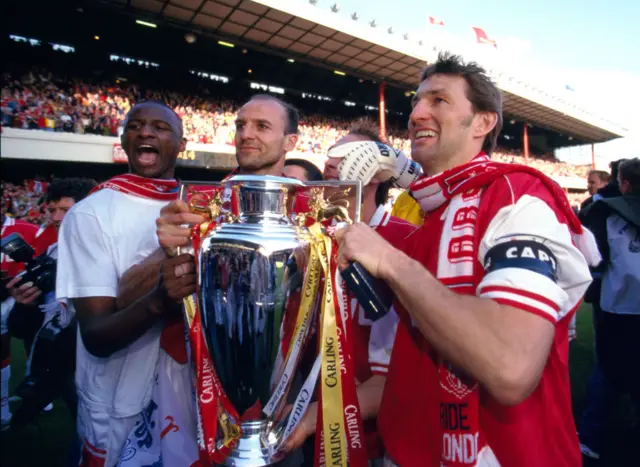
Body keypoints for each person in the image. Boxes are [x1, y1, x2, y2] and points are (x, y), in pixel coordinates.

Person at [334, 52, 593, 466]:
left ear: (484, 122)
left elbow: (509, 365)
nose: (417, 112)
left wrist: (392, 263)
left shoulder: (517, 194)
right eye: (416, 101)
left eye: (439, 100)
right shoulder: (427, 214)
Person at [56, 100, 199, 466]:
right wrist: (158, 300)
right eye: (136, 126)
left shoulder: (204, 209)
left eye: (160, 127)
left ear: (181, 144)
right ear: (124, 139)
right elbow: (97, 335)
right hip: (121, 403)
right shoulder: (91, 213)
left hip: (190, 397)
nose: (146, 132)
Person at [278, 121, 417, 465]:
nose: (329, 162)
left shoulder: (408, 241)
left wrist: (315, 413)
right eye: (329, 154)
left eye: (346, 154)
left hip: (376, 442)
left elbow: (401, 375)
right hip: (307, 423)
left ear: (379, 172)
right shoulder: (310, 241)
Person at [5, 177, 96, 426]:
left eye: (65, 210)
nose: (56, 218)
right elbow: (20, 328)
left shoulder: (111, 254)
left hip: (96, 365)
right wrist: (24, 304)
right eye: (53, 210)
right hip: (56, 362)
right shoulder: (52, 253)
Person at [578, 157, 640, 461]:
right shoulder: (603, 209)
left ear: (624, 183)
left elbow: (595, 261)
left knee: (606, 372)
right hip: (628, 307)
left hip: (618, 308)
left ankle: (592, 438)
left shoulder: (604, 213)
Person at [1, 204, 38, 430]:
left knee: (32, 346)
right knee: (1, 350)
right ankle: (3, 408)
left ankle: (37, 395)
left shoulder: (28, 229)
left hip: (25, 297)